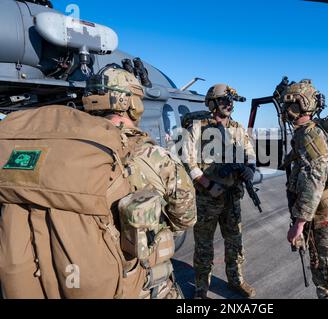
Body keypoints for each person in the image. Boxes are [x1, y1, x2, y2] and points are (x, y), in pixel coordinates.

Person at [0, 65, 196, 299]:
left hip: (48, 280)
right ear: (132, 103)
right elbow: (185, 218)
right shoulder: (157, 158)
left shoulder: (57, 150)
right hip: (133, 283)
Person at [182, 84, 257, 299]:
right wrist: (208, 185)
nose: (229, 105)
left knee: (235, 242)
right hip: (207, 198)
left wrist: (249, 168)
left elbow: (249, 152)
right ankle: (201, 288)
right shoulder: (197, 126)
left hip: (232, 196)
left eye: (230, 101)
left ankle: (236, 281)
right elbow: (189, 162)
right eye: (224, 100)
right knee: (204, 246)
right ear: (213, 103)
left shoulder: (237, 128)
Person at [283, 80, 328, 299]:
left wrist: (299, 223)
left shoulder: (311, 135)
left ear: (298, 105)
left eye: (289, 105)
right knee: (325, 281)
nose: (286, 111)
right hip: (326, 219)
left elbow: (315, 179)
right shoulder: (310, 131)